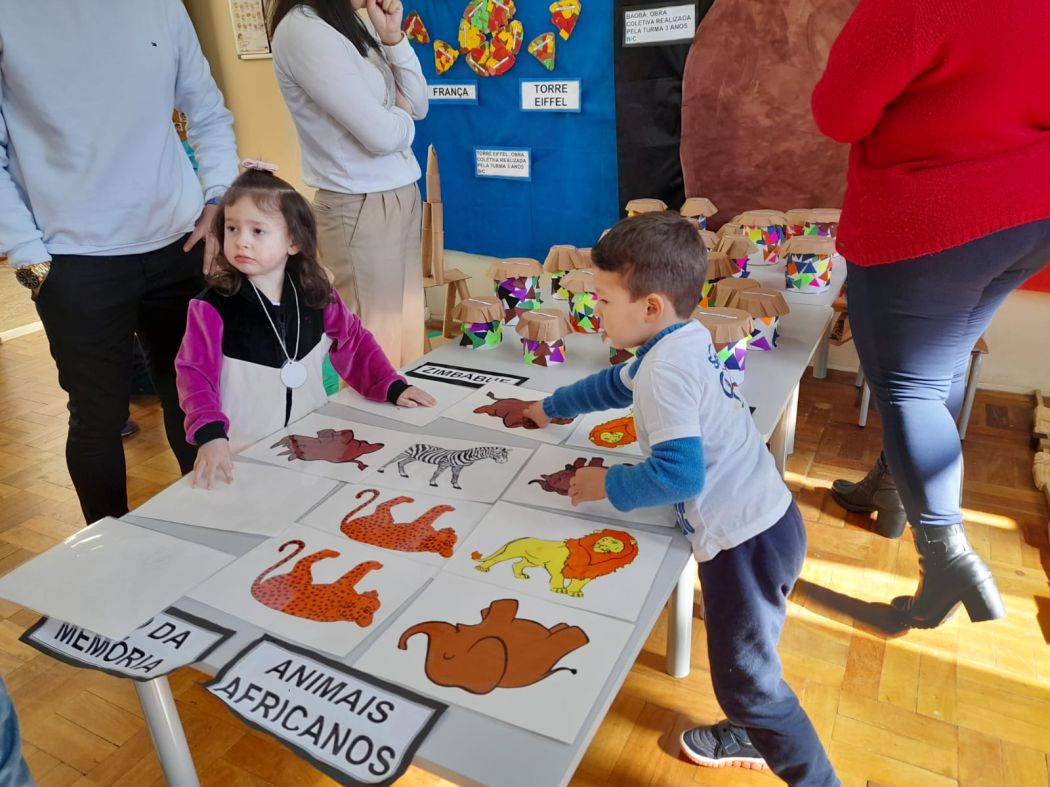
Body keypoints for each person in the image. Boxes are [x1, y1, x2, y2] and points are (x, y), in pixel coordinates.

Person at [523, 213, 838, 786]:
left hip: (742, 544)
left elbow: (679, 476)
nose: (594, 310)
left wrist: (605, 485)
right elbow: (614, 384)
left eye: (604, 299)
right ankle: (752, 728)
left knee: (750, 686)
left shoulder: (664, 370)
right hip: (769, 522)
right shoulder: (680, 338)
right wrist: (550, 407)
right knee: (753, 654)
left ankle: (811, 774)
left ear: (650, 306)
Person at [812, 0, 1050, 628]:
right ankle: (890, 488)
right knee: (939, 365)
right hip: (1031, 214)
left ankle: (947, 559)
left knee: (910, 388)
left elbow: (839, 112)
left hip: (931, 219)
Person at [0, 0, 239, 523]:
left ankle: (212, 528)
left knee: (194, 398)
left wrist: (217, 198)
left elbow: (208, 110)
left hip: (178, 244)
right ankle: (107, 549)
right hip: (73, 260)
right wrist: (27, 254)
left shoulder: (160, 6)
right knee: (98, 419)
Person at [175, 162, 434, 489]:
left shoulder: (318, 295)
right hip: (241, 453)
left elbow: (354, 343)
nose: (242, 241)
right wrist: (210, 434)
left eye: (257, 231)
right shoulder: (210, 307)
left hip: (312, 447)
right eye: (232, 228)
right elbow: (194, 375)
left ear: (293, 241)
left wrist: (391, 385)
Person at [269, 0, 429, 368]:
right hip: (360, 203)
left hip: (399, 193)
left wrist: (392, 38)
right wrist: (399, 117)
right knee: (374, 351)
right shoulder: (302, 29)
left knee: (409, 343)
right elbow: (381, 136)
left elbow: (418, 104)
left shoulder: (349, 23)